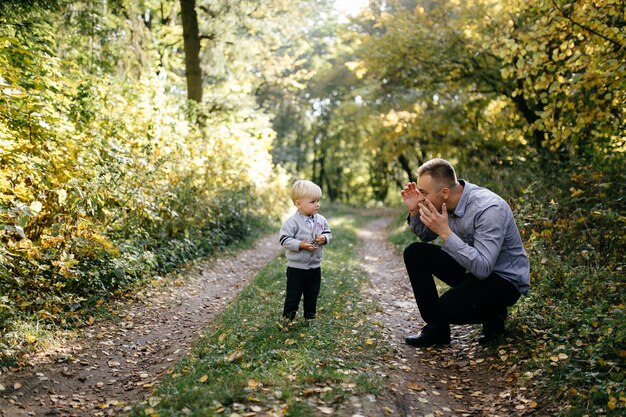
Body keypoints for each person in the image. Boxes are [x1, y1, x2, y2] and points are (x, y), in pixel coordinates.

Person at [401, 158, 530, 347]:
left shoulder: (488, 208)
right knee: (415, 253)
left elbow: (484, 268)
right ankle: (437, 331)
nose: (421, 198)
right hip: (471, 270)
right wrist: (414, 212)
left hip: (503, 281)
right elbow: (427, 235)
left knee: (447, 308)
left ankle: (495, 314)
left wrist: (445, 232)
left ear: (444, 192)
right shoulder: (445, 200)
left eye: (423, 193)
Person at [279, 180, 332, 322]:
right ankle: (288, 317)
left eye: (318, 200)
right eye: (312, 201)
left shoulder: (321, 220)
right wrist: (300, 245)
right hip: (297, 267)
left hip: (315, 266)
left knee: (312, 293)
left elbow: (328, 232)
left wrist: (324, 238)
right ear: (298, 203)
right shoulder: (292, 222)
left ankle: (310, 317)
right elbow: (284, 239)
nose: (317, 204)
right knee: (293, 294)